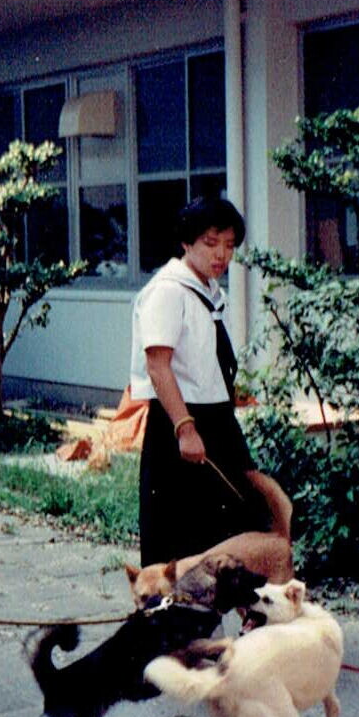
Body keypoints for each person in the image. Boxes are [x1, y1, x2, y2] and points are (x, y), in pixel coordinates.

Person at [129, 196, 274, 567]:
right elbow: (158, 366)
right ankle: (176, 606)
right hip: (181, 423)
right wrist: (185, 428)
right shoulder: (168, 291)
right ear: (187, 242)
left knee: (236, 526)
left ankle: (227, 603)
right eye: (211, 243)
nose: (221, 255)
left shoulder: (209, 292)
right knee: (180, 535)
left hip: (217, 420)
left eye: (229, 245)